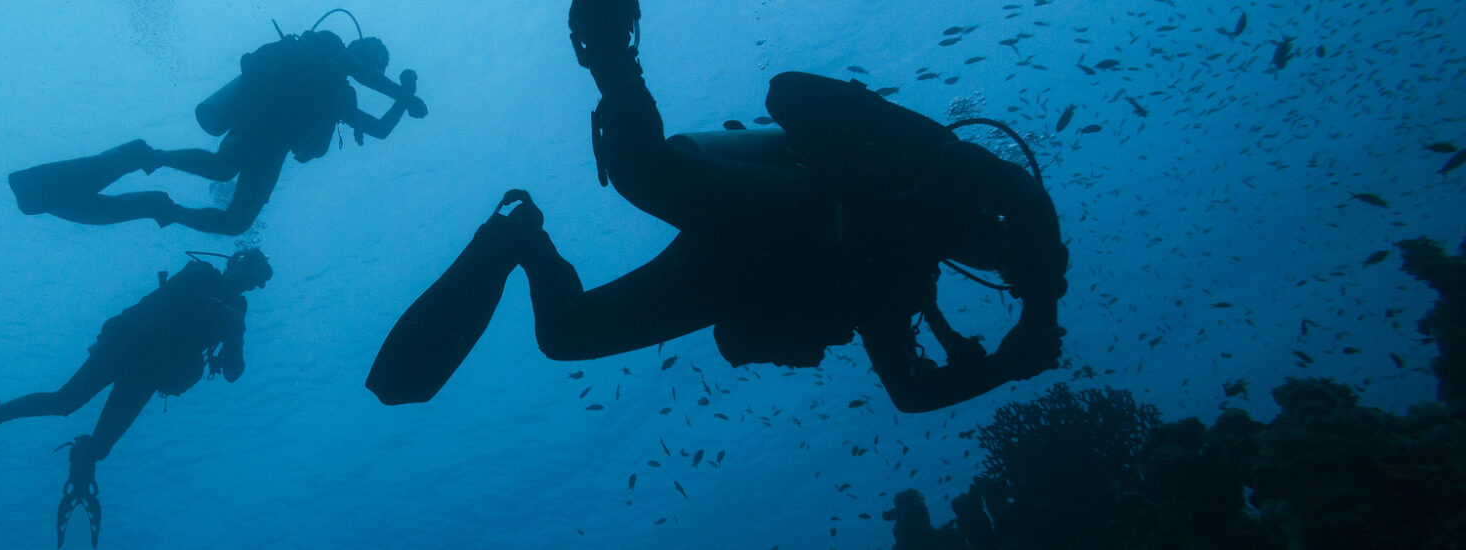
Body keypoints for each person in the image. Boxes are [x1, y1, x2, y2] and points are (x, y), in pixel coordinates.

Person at [367, 0, 1069, 413]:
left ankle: (520, 239)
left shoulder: (905, 287)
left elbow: (909, 395)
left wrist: (1006, 366)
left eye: (992, 253)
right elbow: (1019, 193)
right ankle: (612, 49)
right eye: (992, 235)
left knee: (565, 337)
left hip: (735, 275)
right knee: (643, 171)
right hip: (793, 202)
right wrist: (1040, 311)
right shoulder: (930, 167)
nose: (985, 241)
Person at [0, 248, 273, 548]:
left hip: (149, 375)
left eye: (255, 281)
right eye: (247, 271)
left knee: (101, 445)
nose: (247, 283)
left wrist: (235, 331)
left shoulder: (237, 311)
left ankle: (80, 473)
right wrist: (216, 309)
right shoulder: (201, 274)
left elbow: (233, 373)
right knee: (65, 402)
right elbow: (169, 298)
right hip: (125, 349)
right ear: (234, 263)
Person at [6, 19, 428, 236]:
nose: (370, 63)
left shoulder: (344, 95)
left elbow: (378, 131)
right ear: (359, 49)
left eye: (375, 61)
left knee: (237, 224)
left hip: (275, 146)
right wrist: (405, 94)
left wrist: (402, 99)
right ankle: (146, 155)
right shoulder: (330, 46)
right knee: (222, 168)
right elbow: (365, 77)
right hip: (260, 122)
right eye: (370, 54)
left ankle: (164, 208)